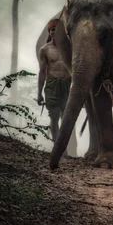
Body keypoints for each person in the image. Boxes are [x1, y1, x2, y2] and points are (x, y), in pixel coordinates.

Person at [37, 19, 77, 157]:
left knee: (66, 117)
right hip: (52, 84)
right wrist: (39, 93)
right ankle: (59, 150)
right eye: (52, 30)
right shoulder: (45, 50)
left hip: (67, 83)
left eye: (57, 29)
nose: (54, 32)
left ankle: (66, 148)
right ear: (50, 32)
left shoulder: (70, 48)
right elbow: (42, 71)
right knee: (54, 117)